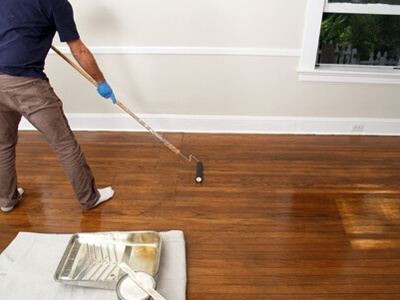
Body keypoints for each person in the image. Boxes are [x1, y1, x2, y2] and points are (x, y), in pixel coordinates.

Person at [0, 0, 116, 212]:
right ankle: (90, 198)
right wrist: (101, 81)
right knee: (64, 144)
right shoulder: (56, 4)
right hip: (26, 83)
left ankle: (7, 199)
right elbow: (79, 50)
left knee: (3, 144)